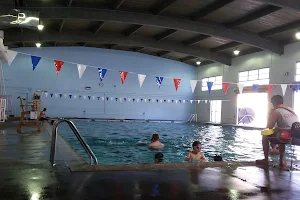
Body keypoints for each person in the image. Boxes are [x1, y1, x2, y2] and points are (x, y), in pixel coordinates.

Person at [256, 95, 299, 167]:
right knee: (282, 133)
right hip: (296, 137)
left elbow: (268, 127)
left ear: (273, 103)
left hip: (286, 137)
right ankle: (281, 161)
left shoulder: (276, 111)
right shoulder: (291, 110)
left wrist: (270, 114)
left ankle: (266, 160)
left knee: (265, 135)